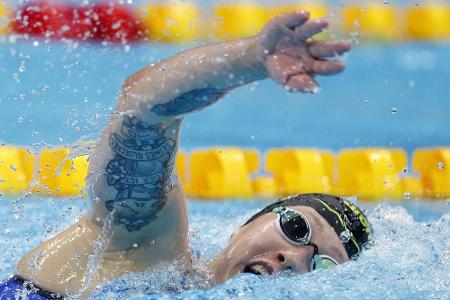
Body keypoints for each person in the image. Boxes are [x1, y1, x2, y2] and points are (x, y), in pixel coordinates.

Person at [0, 11, 372, 299]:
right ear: (249, 222)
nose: (294, 258)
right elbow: (144, 112)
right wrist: (250, 59)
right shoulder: (144, 246)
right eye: (297, 228)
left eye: (321, 265)